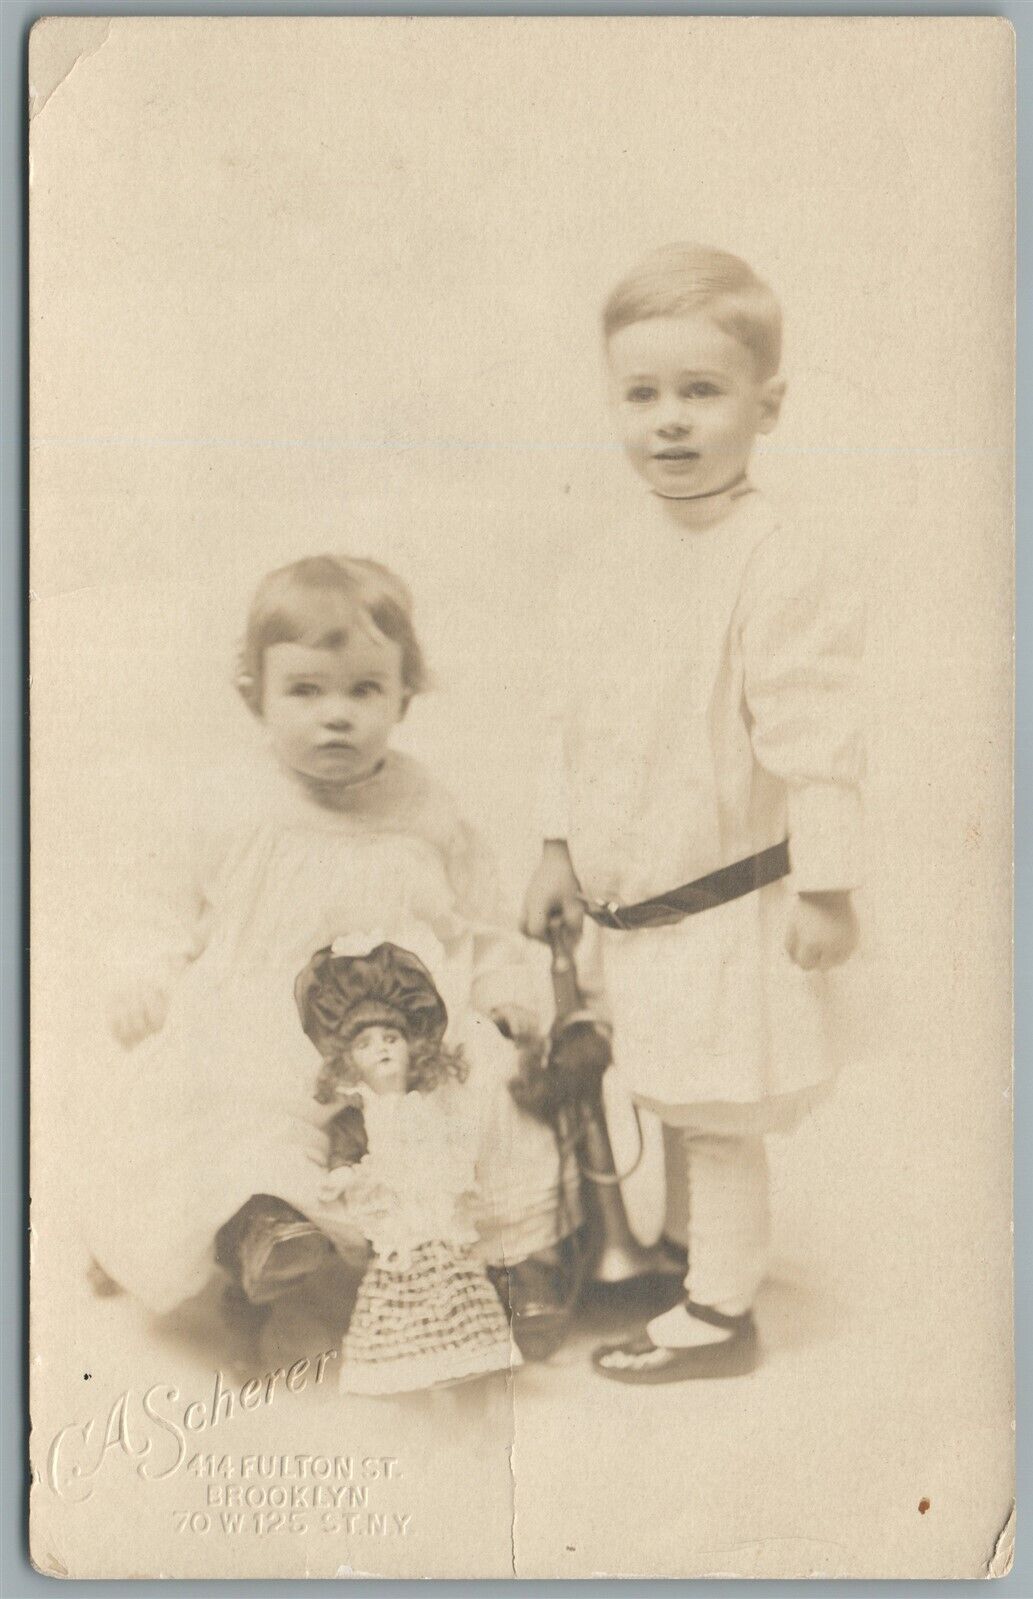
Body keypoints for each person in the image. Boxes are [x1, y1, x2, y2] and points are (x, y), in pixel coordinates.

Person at [522, 243, 865, 1382]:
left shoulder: (773, 559)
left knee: (714, 1108)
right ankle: (675, 1257)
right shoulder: (606, 551)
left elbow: (815, 734)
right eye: (641, 394)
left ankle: (718, 1311)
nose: (668, 421)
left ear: (764, 405)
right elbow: (575, 718)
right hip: (636, 907)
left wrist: (826, 884)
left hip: (728, 901)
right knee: (668, 1083)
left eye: (701, 392)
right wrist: (556, 847)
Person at [89, 554, 578, 1350]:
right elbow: (159, 904)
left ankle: (508, 1258)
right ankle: (264, 1230)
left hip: (402, 1028)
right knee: (239, 1102)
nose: (337, 716)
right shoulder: (230, 801)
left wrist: (499, 989)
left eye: (364, 690)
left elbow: (479, 918)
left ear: (404, 695)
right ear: (258, 695)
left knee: (482, 1090)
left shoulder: (427, 806)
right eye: (306, 691)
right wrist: (143, 973)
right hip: (262, 1016)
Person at [295, 937, 519, 1394]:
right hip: (399, 1219)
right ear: (348, 1062)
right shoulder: (362, 1114)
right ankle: (405, 1369)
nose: (381, 1049)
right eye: (366, 1043)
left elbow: (452, 1144)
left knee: (454, 1279)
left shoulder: (427, 1105)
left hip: (436, 1209)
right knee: (400, 1291)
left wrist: (459, 1172)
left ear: (413, 1048)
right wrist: (343, 1173)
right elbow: (348, 1149)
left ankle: (462, 1359)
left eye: (391, 1038)